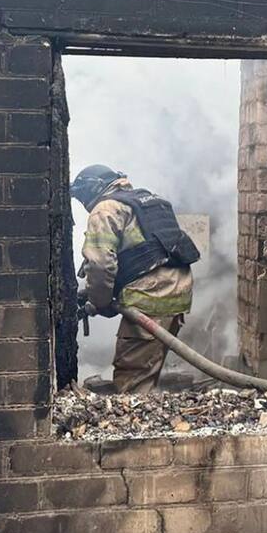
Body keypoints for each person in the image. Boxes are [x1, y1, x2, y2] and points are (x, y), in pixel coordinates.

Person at [70, 164, 199, 394]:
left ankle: (138, 424)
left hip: (149, 297)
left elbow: (100, 264)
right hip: (176, 292)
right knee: (148, 369)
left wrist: (99, 303)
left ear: (92, 189)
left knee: (133, 381)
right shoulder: (146, 199)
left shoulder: (106, 208)